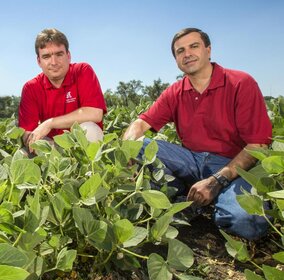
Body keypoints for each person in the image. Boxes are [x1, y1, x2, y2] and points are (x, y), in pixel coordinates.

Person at [123, 28, 272, 240]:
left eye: (194, 46)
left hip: (234, 166)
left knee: (249, 222)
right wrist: (127, 151)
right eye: (180, 51)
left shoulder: (240, 83)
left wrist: (216, 181)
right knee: (139, 145)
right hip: (191, 160)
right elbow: (141, 123)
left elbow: (258, 146)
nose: (187, 54)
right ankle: (189, 194)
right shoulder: (175, 91)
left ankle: (201, 201)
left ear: (208, 50)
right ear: (176, 59)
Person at [18, 28, 107, 152]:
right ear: (39, 61)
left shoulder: (82, 71)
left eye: (59, 54)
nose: (54, 62)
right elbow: (27, 132)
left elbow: (95, 114)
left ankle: (92, 170)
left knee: (90, 129)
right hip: (52, 147)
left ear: (68, 56)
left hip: (81, 145)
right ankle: (59, 168)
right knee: (24, 152)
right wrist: (37, 143)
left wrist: (50, 123)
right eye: (46, 56)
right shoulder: (31, 87)